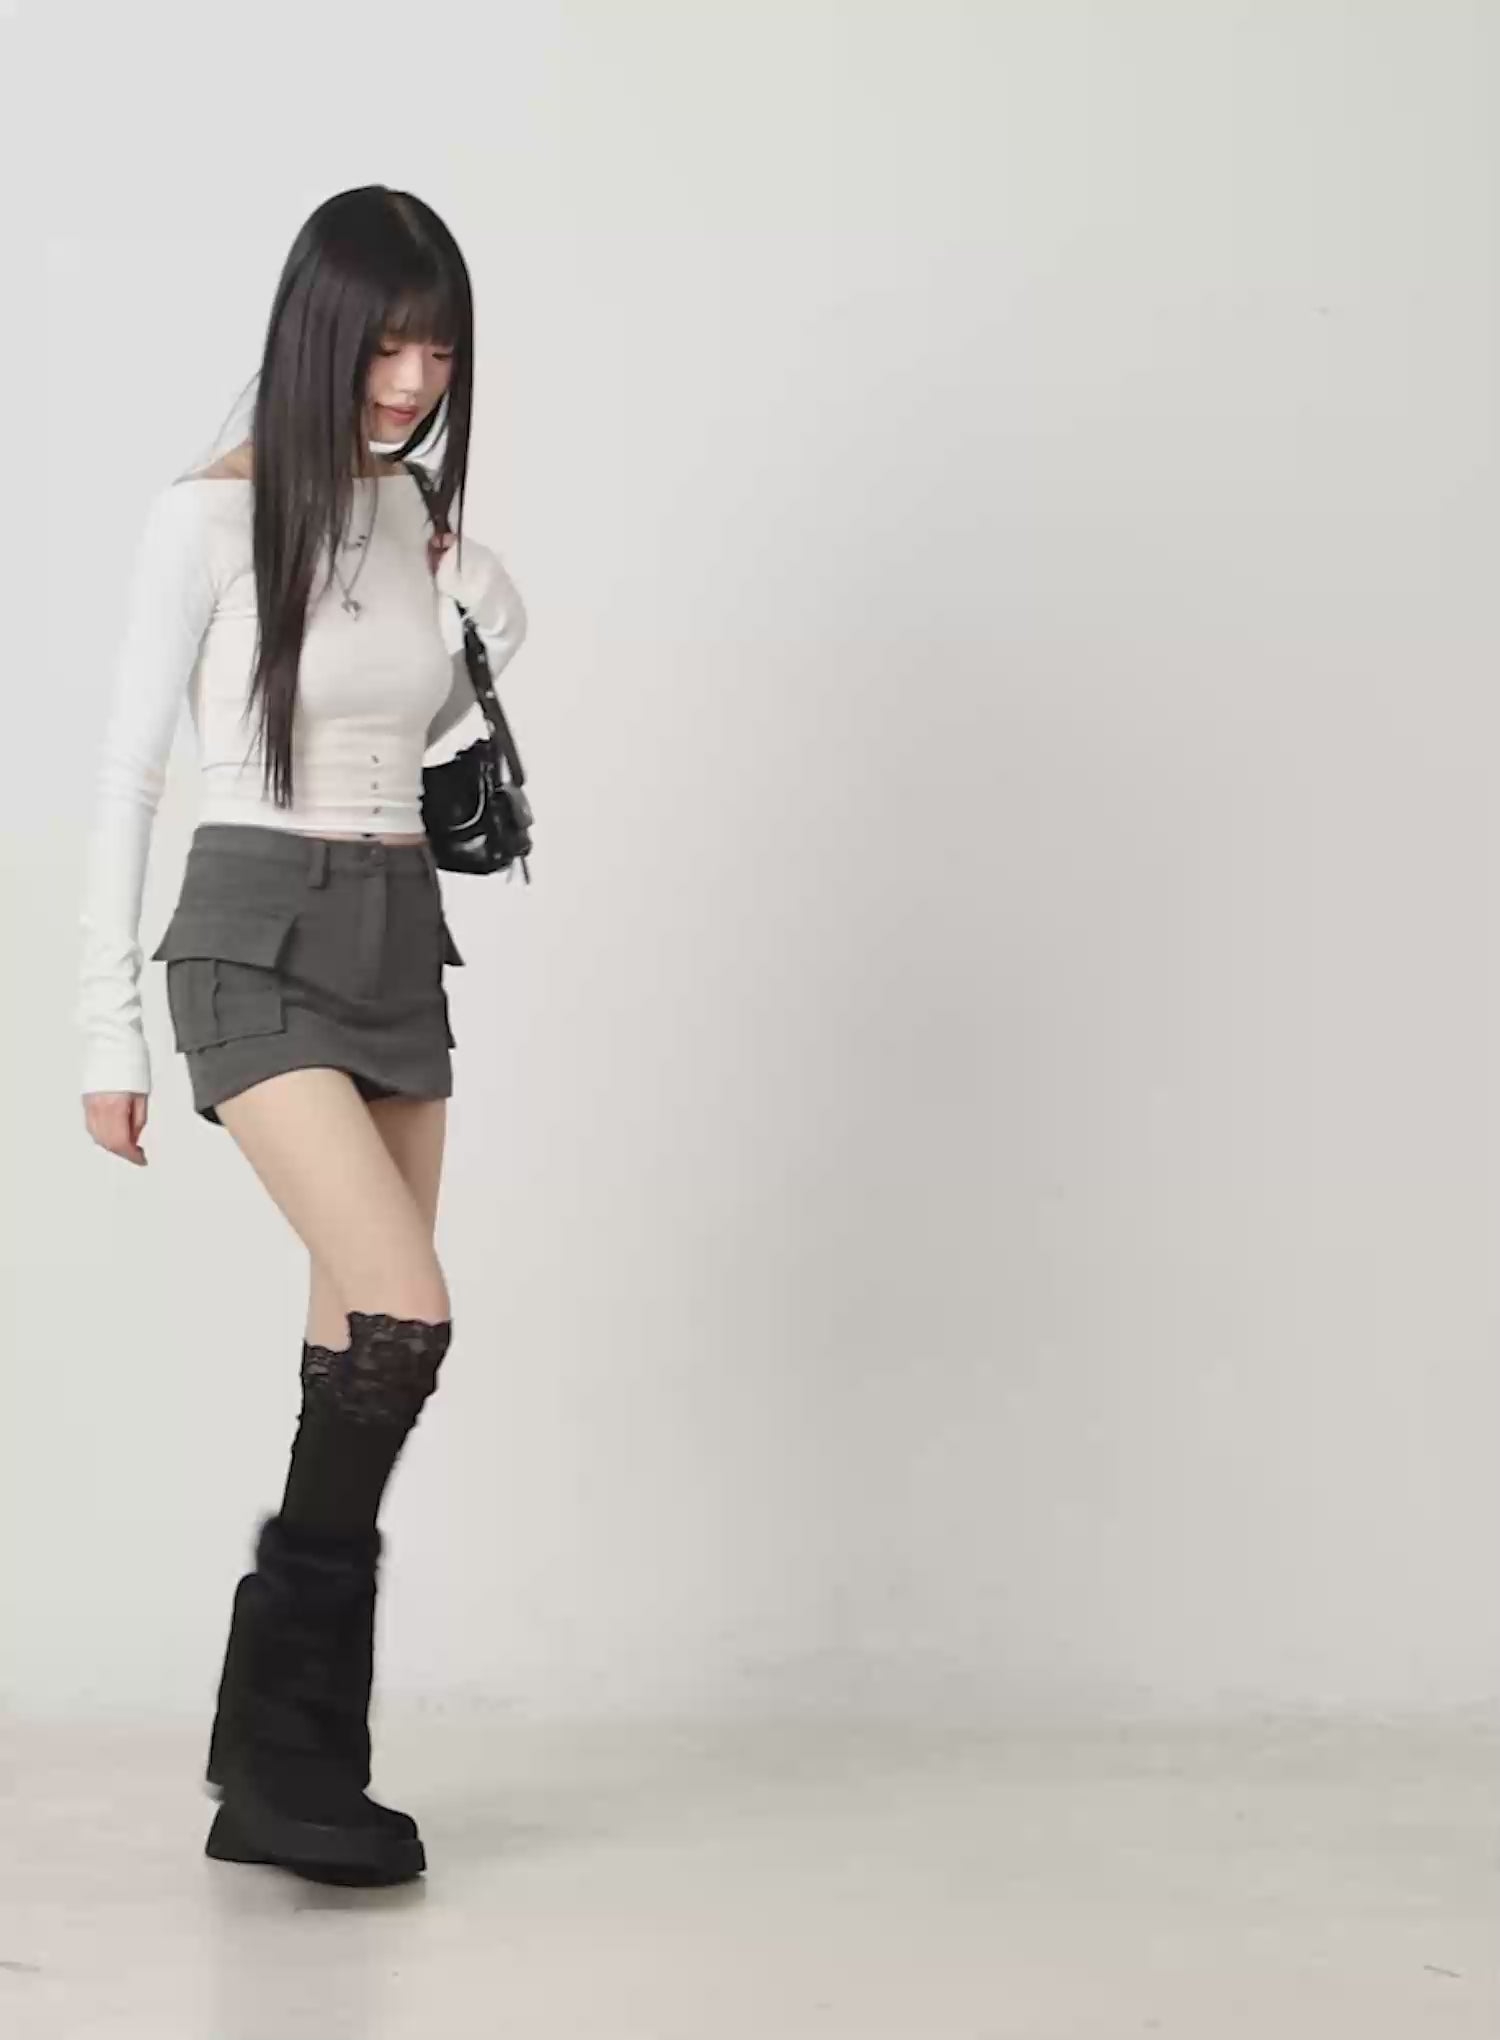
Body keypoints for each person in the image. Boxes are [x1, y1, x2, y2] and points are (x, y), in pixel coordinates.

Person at [75, 185, 529, 1885]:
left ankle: (281, 1760)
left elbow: (421, 719)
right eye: (388, 344)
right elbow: (128, 774)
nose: (412, 380)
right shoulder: (206, 520)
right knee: (409, 1316)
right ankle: (281, 1754)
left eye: (440, 351)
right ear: (319, 332)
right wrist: (105, 1034)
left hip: (397, 932)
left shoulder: (414, 518)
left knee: (353, 1355)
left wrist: (478, 604)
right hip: (252, 934)